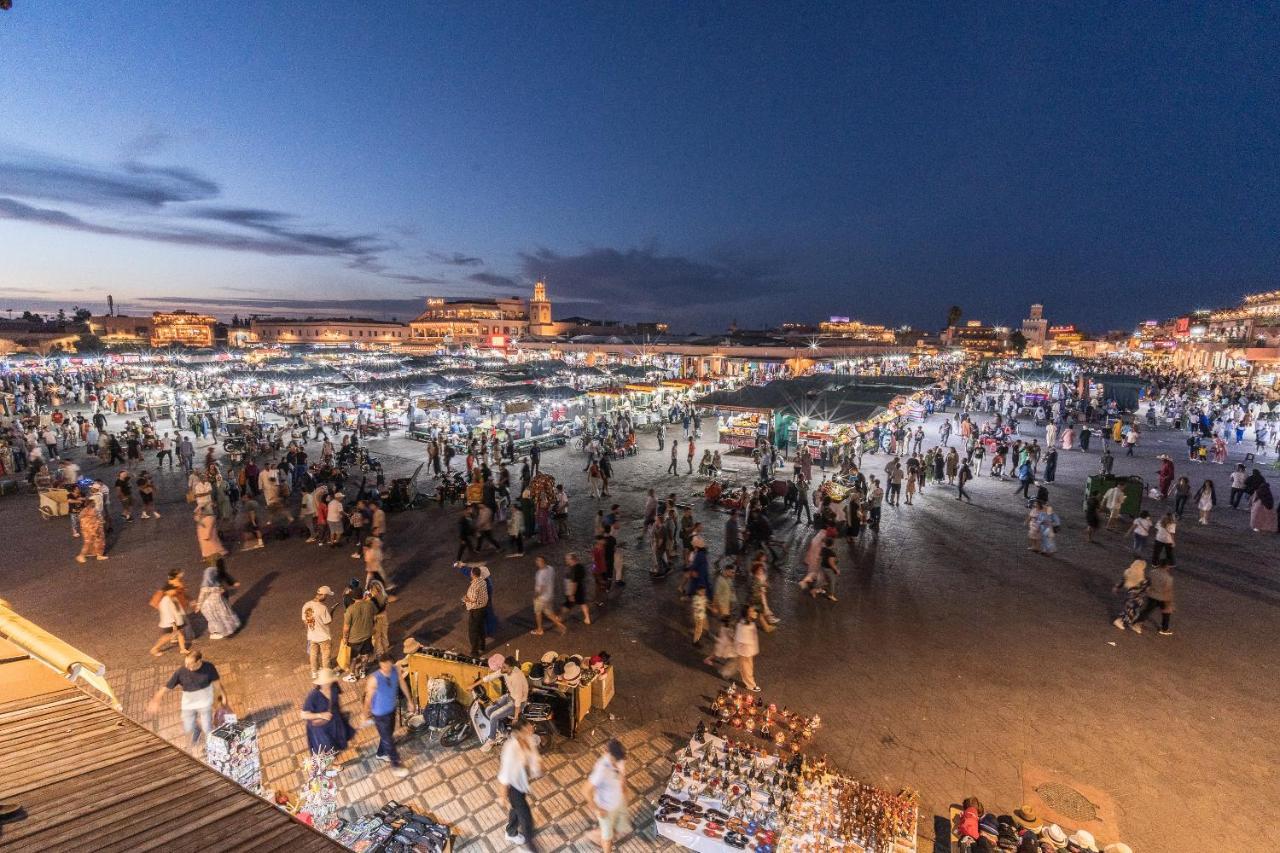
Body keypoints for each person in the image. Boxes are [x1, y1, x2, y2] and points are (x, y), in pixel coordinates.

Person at [146, 650, 229, 751]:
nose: (187, 666)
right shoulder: (181, 671)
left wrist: (223, 696)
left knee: (207, 727)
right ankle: (197, 729)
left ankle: (211, 747)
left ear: (199, 662)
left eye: (190, 664)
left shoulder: (209, 668)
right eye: (186, 663)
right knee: (189, 727)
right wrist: (156, 700)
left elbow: (216, 683)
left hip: (205, 703)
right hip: (188, 704)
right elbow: (167, 686)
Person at [363, 654, 414, 776]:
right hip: (379, 714)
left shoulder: (396, 670)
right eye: (383, 666)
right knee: (388, 740)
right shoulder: (374, 679)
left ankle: (381, 753)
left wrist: (409, 700)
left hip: (391, 709)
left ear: (391, 663)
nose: (386, 668)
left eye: (388, 665)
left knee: (387, 735)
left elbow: (402, 684)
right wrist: (364, 714)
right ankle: (396, 765)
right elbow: (368, 699)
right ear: (380, 665)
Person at [498, 718, 542, 851]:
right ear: (520, 732)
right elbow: (504, 775)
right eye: (529, 727)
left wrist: (538, 768)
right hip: (513, 789)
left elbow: (533, 759)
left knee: (516, 810)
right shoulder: (510, 749)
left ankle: (510, 832)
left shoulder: (529, 740)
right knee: (527, 821)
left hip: (522, 785)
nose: (532, 728)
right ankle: (533, 849)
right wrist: (502, 796)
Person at [585, 739, 630, 853]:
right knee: (608, 837)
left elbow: (621, 776)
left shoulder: (619, 759)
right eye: (616, 760)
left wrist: (624, 792)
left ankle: (595, 834)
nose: (619, 762)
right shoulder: (601, 769)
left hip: (618, 802)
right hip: (605, 808)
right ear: (609, 754)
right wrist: (597, 809)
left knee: (618, 828)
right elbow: (585, 791)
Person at [300, 669, 355, 762]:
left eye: (328, 682)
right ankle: (330, 766)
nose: (327, 684)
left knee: (335, 745)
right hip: (320, 729)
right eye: (325, 682)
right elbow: (304, 715)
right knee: (326, 750)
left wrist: (340, 715)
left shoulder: (334, 687)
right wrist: (320, 715)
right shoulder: (314, 696)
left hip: (334, 723)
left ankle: (331, 762)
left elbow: (336, 703)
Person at [196, 562, 240, 640]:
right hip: (210, 606)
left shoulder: (214, 584)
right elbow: (202, 596)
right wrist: (198, 606)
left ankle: (228, 631)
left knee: (223, 616)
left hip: (218, 603)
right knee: (219, 617)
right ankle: (223, 632)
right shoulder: (206, 587)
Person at [341, 587, 377, 681]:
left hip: (354, 639)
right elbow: (374, 617)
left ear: (352, 598)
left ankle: (352, 675)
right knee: (365, 655)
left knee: (353, 657)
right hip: (367, 635)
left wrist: (345, 638)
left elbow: (346, 627)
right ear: (362, 595)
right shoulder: (370, 605)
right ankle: (363, 671)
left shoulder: (350, 610)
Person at [149, 583, 191, 656]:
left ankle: (183, 649)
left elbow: (178, 609)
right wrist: (173, 623)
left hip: (177, 621)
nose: (174, 591)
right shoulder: (165, 601)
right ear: (167, 591)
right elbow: (167, 613)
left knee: (180, 635)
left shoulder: (173, 598)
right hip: (170, 623)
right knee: (167, 637)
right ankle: (155, 649)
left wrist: (182, 617)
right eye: (173, 590)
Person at [1134, 561, 1175, 636]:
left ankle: (1137, 623)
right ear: (1166, 567)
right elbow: (1167, 591)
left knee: (1147, 610)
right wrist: (1169, 603)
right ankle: (1164, 629)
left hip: (1151, 595)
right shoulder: (1168, 578)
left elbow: (1147, 582)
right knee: (1166, 613)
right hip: (1162, 598)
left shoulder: (1152, 572)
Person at [303, 586, 335, 678]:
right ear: (323, 595)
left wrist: (310, 632)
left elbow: (305, 621)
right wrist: (331, 613)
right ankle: (326, 675)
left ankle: (314, 672)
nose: (327, 597)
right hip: (324, 637)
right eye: (327, 595)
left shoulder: (306, 605)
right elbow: (328, 621)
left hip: (312, 636)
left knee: (313, 655)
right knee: (325, 657)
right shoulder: (323, 608)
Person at [531, 556, 566, 635]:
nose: (537, 562)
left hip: (541, 597)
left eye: (538, 561)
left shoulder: (540, 574)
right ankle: (559, 624)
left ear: (543, 562)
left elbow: (541, 588)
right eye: (537, 560)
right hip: (549, 595)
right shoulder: (550, 568)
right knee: (548, 612)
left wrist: (535, 596)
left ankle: (540, 629)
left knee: (538, 613)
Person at [1112, 560, 1149, 633]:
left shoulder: (1127, 572)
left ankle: (1130, 623)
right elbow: (1145, 589)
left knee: (1131, 610)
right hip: (1137, 597)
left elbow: (1122, 581)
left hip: (1130, 594)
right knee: (1131, 610)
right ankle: (1120, 621)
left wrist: (1116, 587)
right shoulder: (1142, 578)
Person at [463, 564, 490, 656]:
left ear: (473, 574)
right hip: (483, 608)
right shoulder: (483, 581)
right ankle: (482, 646)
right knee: (481, 628)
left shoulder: (474, 586)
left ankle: (475, 651)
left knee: (473, 631)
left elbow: (473, 599)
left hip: (475, 610)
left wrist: (465, 599)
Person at [734, 605, 761, 692]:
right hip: (745, 652)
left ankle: (740, 668)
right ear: (747, 614)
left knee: (746, 667)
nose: (755, 613)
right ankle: (750, 685)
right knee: (747, 668)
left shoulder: (748, 623)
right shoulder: (743, 626)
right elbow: (741, 639)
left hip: (747, 651)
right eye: (752, 611)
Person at [565, 552, 591, 625]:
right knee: (582, 603)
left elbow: (574, 583)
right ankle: (587, 618)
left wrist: (572, 594)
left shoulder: (574, 569)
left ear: (572, 559)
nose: (566, 560)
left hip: (576, 589)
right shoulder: (580, 566)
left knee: (568, 604)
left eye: (567, 559)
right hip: (581, 587)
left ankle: (559, 617)